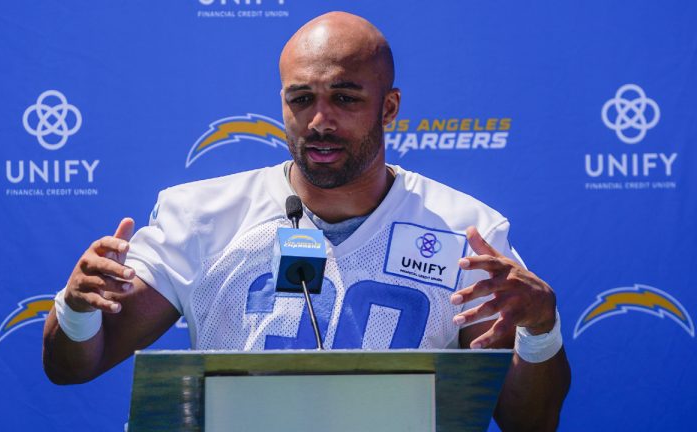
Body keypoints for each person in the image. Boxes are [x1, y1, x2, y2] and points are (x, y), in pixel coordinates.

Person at [43, 11, 570, 430]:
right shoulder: (203, 217)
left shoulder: (465, 229)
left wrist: (539, 329)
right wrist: (77, 309)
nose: (320, 121)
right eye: (301, 99)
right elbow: (73, 367)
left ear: (389, 109)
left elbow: (531, 421)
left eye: (344, 98)